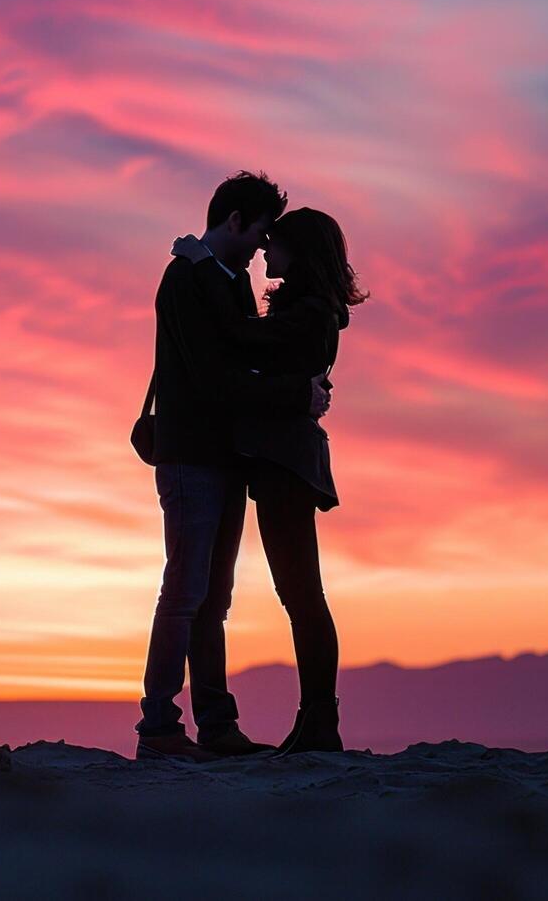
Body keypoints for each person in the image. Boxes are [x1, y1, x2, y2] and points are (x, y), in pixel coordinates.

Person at [134, 172, 332, 762]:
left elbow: (244, 358)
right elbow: (216, 379)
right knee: (185, 592)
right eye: (261, 232)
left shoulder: (224, 280)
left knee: (211, 598)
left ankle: (216, 726)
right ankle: (159, 728)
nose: (263, 247)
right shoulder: (185, 280)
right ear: (237, 220)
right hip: (190, 456)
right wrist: (297, 395)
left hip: (224, 459)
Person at [171, 206, 369, 755]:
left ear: (300, 252)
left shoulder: (309, 314)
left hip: (285, 465)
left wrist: (203, 263)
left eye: (275, 242)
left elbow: (238, 339)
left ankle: (319, 721)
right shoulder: (309, 310)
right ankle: (317, 721)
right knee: (301, 594)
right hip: (283, 463)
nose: (264, 251)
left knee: (302, 594)